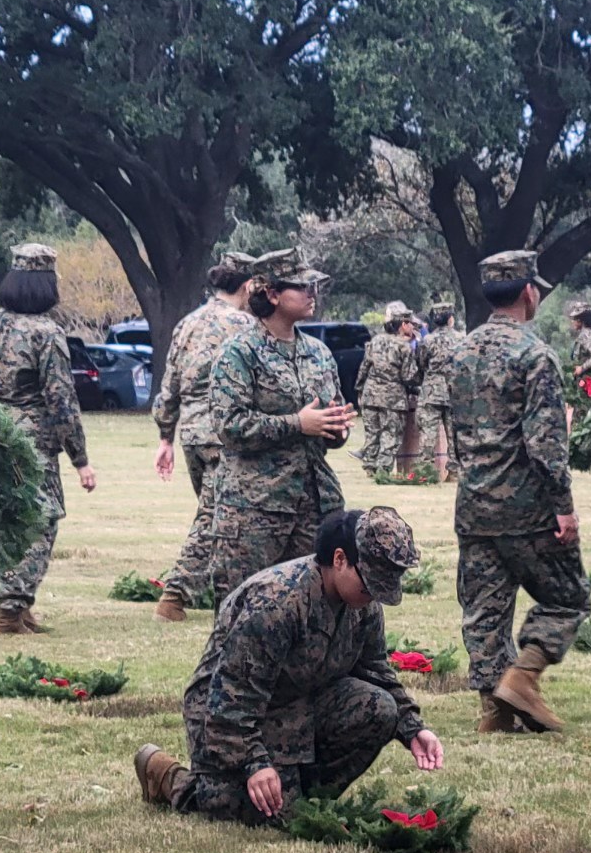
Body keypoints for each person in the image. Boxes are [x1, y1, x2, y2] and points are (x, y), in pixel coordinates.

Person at [134, 507, 443, 823]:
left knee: (380, 708)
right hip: (225, 718)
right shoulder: (277, 603)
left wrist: (412, 728)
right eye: (370, 584)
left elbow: (375, 670)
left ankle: (298, 792)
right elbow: (233, 695)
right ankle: (173, 778)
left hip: (295, 707)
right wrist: (254, 763)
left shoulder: (362, 605)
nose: (376, 595)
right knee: (241, 812)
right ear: (339, 560)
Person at [444, 249, 588, 734]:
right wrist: (563, 508)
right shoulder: (535, 355)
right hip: (525, 506)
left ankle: (494, 710)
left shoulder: (458, 352)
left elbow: (457, 429)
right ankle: (523, 678)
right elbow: (546, 442)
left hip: (474, 503)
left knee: (484, 608)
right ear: (530, 293)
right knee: (569, 598)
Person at [208, 248, 353, 604]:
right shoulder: (240, 353)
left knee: (312, 607)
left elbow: (325, 425)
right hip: (256, 507)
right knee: (245, 607)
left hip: (315, 503)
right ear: (271, 294)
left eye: (313, 286)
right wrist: (298, 424)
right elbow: (229, 426)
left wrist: (335, 428)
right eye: (301, 287)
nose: (311, 294)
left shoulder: (318, 352)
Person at [0, 243, 95, 634]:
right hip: (33, 441)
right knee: (41, 520)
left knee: (12, 515)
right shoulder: (47, 333)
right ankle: (11, 605)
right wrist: (81, 459)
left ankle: (19, 607)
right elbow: (61, 400)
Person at [152, 250, 259, 620]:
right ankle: (176, 594)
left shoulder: (188, 324)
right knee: (215, 518)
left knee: (216, 514)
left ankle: (224, 593)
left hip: (192, 436)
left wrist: (165, 436)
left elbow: (170, 385)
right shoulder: (246, 327)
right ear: (248, 287)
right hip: (224, 434)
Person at [356, 301, 418, 475]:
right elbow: (408, 377)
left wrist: (360, 389)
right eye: (411, 323)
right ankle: (383, 469)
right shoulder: (403, 347)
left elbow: (364, 367)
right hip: (393, 397)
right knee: (390, 433)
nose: (413, 326)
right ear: (403, 325)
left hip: (371, 394)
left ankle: (369, 467)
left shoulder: (375, 341)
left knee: (372, 433)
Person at [414, 295, 461, 481]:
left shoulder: (428, 341)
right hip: (454, 391)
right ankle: (455, 472)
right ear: (451, 319)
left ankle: (424, 472)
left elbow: (420, 363)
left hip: (431, 392)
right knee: (454, 434)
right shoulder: (461, 339)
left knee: (428, 433)